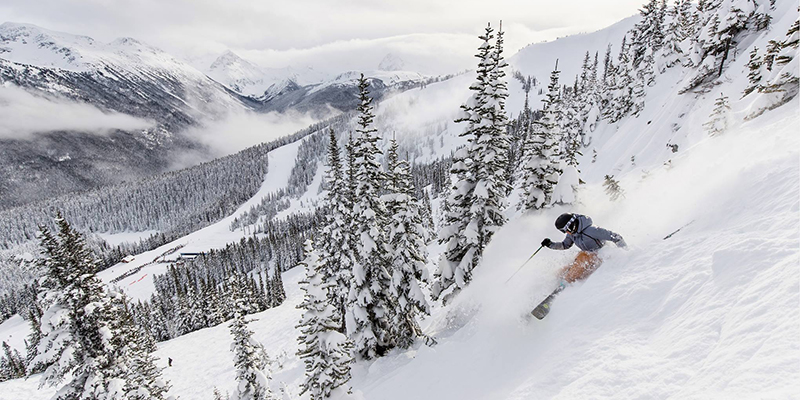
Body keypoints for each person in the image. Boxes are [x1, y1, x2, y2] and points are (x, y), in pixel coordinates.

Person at [541, 213, 626, 285]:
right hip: (586, 256)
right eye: (563, 231)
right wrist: (550, 244)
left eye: (565, 230)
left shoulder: (592, 230)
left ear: (571, 225)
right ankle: (553, 282)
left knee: (582, 257)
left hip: (600, 255)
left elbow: (616, 237)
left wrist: (625, 252)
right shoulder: (572, 234)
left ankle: (566, 282)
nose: (566, 233)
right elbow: (565, 245)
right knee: (567, 267)